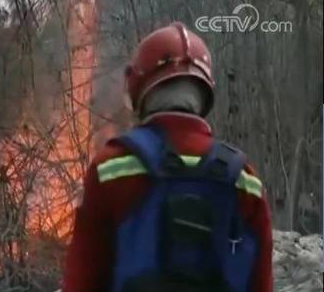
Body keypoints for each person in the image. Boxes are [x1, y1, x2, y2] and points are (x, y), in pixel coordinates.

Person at [62, 22, 273, 292]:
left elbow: (82, 282)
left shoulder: (111, 168)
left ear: (139, 88)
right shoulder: (246, 180)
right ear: (204, 92)